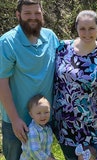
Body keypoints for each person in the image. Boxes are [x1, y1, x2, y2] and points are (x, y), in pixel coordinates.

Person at [52, 10, 97, 160]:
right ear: (76, 28)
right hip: (64, 128)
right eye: (82, 28)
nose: (87, 33)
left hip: (91, 130)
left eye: (91, 28)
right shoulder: (62, 49)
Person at [0, 0, 59, 159]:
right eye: (27, 13)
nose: (33, 17)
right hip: (18, 122)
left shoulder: (51, 37)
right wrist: (14, 120)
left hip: (43, 119)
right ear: (18, 15)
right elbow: (2, 83)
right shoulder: (8, 42)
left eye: (37, 13)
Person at [20, 94, 55, 160]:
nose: (43, 116)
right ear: (31, 114)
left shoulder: (48, 129)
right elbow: (34, 151)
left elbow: (46, 148)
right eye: (39, 113)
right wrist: (48, 158)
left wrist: (50, 156)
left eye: (46, 112)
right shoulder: (33, 130)